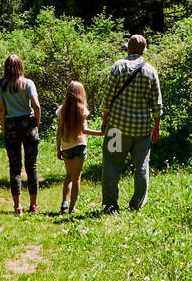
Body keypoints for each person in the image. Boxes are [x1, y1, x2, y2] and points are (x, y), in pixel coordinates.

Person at [98, 35, 162, 214]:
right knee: (141, 166)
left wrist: (105, 120)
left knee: (111, 163)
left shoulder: (118, 67)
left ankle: (110, 206)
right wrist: (156, 127)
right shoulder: (151, 71)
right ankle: (136, 205)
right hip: (141, 131)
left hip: (117, 128)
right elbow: (157, 104)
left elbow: (108, 97)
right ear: (144, 50)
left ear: (128, 49)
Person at [0, 54, 41, 214]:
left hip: (11, 125)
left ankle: (17, 206)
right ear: (21, 66)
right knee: (31, 166)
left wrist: (4, 128)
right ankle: (33, 205)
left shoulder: (1, 85)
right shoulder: (28, 83)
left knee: (15, 167)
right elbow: (36, 106)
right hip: (28, 124)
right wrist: (37, 123)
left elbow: (2, 109)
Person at [55, 81, 104, 214]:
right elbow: (85, 130)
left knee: (68, 176)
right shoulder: (82, 110)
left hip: (66, 146)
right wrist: (101, 133)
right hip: (79, 145)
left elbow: (59, 131)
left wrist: (58, 148)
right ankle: (72, 208)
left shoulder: (61, 110)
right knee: (76, 177)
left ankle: (64, 205)